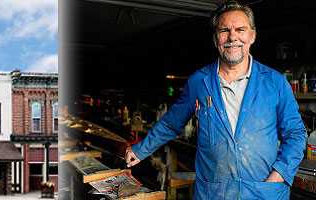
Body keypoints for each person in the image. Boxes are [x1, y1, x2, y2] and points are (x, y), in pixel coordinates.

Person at [125, 1, 306, 199]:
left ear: (252, 35)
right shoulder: (198, 82)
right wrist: (141, 149)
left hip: (263, 192)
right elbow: (171, 124)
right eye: (224, 30)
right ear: (215, 39)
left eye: (240, 29)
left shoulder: (275, 82)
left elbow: (296, 133)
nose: (232, 37)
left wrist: (279, 174)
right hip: (214, 194)